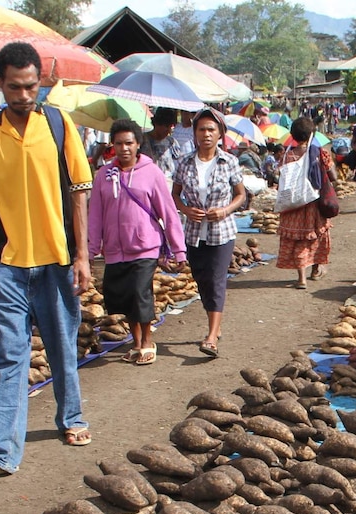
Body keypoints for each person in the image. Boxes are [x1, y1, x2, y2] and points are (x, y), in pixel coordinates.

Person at [0, 42, 94, 480]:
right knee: (11, 356)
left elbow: (79, 192)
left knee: (61, 346)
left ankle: (71, 418)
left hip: (56, 261)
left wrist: (82, 255)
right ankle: (1, 452)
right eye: (14, 87)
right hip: (11, 267)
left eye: (31, 86)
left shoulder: (58, 124)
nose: (23, 95)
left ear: (41, 82)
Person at [89, 119, 186, 366]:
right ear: (113, 145)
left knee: (140, 293)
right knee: (123, 296)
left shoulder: (151, 172)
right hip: (114, 250)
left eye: (129, 143)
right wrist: (91, 249)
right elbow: (95, 214)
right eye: (119, 143)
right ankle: (136, 341)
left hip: (146, 246)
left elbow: (168, 211)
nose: (124, 148)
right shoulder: (103, 175)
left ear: (138, 144)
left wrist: (179, 249)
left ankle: (147, 341)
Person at [171, 108, 247, 358]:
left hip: (221, 232)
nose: (206, 134)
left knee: (216, 280)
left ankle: (212, 337)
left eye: (211, 130)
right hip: (193, 231)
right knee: (202, 279)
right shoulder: (184, 162)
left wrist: (224, 211)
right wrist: (185, 210)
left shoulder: (229, 162)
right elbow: (175, 194)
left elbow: (241, 195)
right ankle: (215, 322)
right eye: (201, 129)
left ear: (220, 134)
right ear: (194, 133)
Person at [276, 117, 333, 290]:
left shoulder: (287, 155)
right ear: (311, 134)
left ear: (292, 135)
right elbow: (334, 176)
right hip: (313, 204)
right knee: (315, 235)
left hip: (292, 205)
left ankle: (301, 278)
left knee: (297, 240)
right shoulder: (319, 152)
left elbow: (281, 179)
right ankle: (316, 269)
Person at [140, 108, 180, 178]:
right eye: (166, 126)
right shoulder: (141, 140)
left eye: (170, 126)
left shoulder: (172, 142)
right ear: (156, 124)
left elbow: (179, 163)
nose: (168, 130)